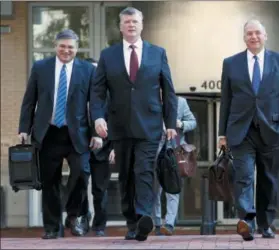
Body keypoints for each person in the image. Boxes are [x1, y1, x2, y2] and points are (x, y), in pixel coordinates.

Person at [90, 7, 178, 242]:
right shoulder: (108, 56)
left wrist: (170, 122)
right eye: (127, 21)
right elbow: (97, 91)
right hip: (119, 125)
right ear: (120, 27)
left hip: (149, 124)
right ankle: (131, 221)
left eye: (135, 21)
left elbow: (169, 90)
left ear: (142, 25)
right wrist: (98, 117)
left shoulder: (157, 53)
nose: (131, 25)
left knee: (144, 170)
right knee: (127, 175)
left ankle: (142, 219)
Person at [218, 19, 279, 241]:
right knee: (243, 176)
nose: (253, 37)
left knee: (268, 179)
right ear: (244, 38)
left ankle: (266, 223)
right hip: (240, 131)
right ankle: (247, 221)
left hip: (272, 131)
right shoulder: (231, 63)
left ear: (265, 36)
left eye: (257, 33)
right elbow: (226, 100)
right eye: (249, 34)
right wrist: (222, 134)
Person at [18, 29, 101, 239]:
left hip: (78, 133)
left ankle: (73, 215)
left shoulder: (87, 70)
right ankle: (53, 228)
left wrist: (97, 132)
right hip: (48, 133)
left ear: (76, 48)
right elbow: (29, 101)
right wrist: (23, 129)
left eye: (71, 47)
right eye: (62, 46)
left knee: (82, 173)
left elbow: (96, 103)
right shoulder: (40, 68)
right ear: (56, 46)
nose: (66, 50)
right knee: (50, 182)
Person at [65, 58, 113, 237]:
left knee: (100, 189)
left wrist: (114, 147)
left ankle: (99, 226)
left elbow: (117, 121)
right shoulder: (76, 94)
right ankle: (81, 219)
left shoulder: (109, 95)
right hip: (80, 147)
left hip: (103, 149)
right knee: (80, 183)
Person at [152, 96, 197, 236]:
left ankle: (169, 224)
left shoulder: (180, 102)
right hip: (154, 151)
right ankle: (157, 223)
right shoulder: (149, 99)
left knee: (173, 188)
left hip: (175, 150)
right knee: (155, 190)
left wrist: (181, 124)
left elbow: (193, 122)